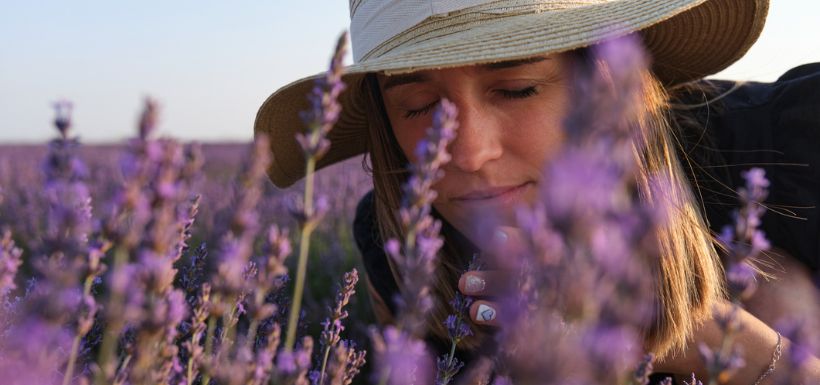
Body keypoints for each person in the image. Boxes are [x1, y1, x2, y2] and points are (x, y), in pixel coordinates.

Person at [255, 0, 820, 383]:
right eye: (418, 106)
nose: (469, 153)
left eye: (517, 88)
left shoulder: (796, 142)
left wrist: (719, 339)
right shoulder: (400, 242)